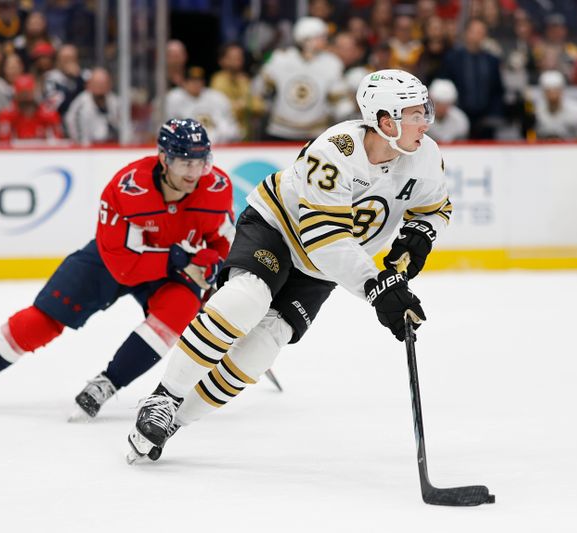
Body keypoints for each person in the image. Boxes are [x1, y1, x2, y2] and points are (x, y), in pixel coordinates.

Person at [126, 69, 452, 463]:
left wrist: (419, 234)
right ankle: (163, 398)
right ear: (385, 121)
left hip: (321, 269)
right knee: (246, 299)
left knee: (264, 345)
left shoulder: (426, 155)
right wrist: (377, 288)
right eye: (415, 114)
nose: (426, 122)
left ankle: (174, 421)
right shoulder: (335, 151)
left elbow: (435, 207)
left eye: (425, 111)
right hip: (277, 229)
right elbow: (324, 238)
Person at [0, 119, 235, 420]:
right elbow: (124, 268)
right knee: (44, 319)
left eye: (201, 162)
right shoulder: (127, 190)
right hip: (114, 261)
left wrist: (213, 265)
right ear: (164, 159)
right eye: (185, 163)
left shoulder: (217, 187)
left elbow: (222, 240)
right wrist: (180, 261)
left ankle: (107, 384)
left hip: (172, 269)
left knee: (177, 312)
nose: (195, 172)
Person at [258, 16, 345, 141]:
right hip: (281, 130)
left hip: (316, 132)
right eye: (321, 37)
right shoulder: (280, 59)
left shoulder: (331, 63)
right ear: (307, 39)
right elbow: (261, 89)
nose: (325, 41)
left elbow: (338, 99)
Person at [64, 67, 119, 145]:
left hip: (110, 147)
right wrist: (79, 142)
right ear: (89, 85)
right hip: (86, 148)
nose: (100, 87)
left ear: (109, 85)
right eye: (97, 83)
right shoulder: (81, 103)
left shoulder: (115, 103)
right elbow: (70, 121)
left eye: (103, 83)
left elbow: (124, 127)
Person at [534, 70, 577, 140]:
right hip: (542, 149)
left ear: (562, 91)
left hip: (572, 149)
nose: (553, 96)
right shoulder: (535, 111)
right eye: (548, 91)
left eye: (556, 90)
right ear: (543, 93)